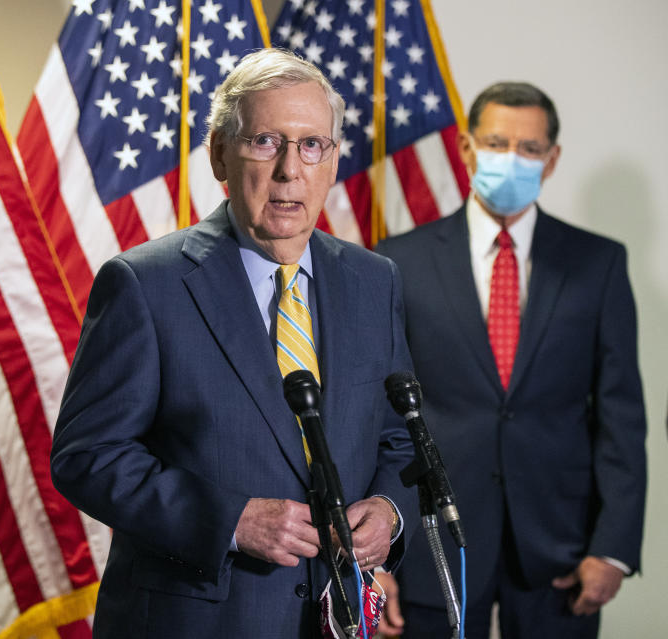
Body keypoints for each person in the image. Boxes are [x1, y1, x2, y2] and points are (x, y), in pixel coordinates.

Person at [50, 48, 417, 638]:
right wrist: (232, 521)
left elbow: (399, 440)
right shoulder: (145, 283)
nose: (289, 170)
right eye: (266, 141)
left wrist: (392, 512)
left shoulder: (374, 281)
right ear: (220, 153)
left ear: (332, 159)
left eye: (311, 145)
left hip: (333, 620)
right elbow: (88, 457)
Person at [375, 81, 647, 638]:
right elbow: (374, 418)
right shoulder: (396, 263)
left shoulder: (599, 264)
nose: (511, 160)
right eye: (497, 143)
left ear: (553, 160)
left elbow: (621, 418)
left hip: (562, 555)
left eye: (529, 148)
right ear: (466, 147)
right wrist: (377, 555)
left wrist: (614, 549)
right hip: (430, 549)